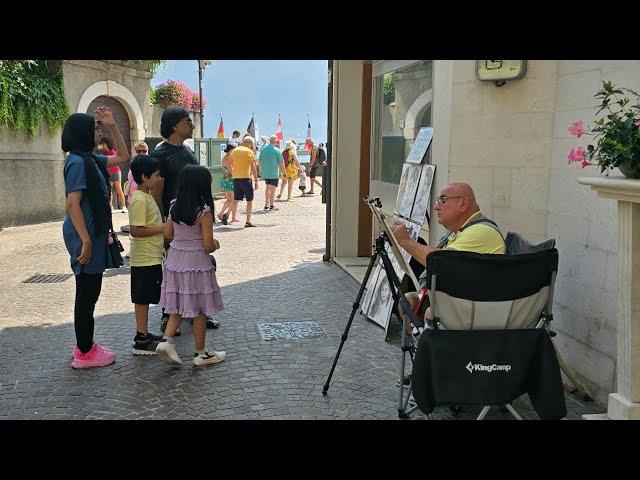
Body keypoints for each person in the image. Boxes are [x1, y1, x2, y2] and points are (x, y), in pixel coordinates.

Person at [61, 107, 130, 369]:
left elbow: (122, 156)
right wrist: (87, 241)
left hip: (93, 233)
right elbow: (72, 203)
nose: (98, 131)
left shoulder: (89, 159)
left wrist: (113, 126)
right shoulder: (78, 162)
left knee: (90, 291)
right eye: (95, 128)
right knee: (87, 293)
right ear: (82, 133)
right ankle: (85, 352)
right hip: (85, 234)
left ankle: (84, 344)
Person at [391, 182, 506, 327]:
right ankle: (422, 345)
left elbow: (443, 262)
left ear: (463, 203)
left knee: (431, 313)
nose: (436, 207)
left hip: (476, 308)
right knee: (407, 301)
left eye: (443, 200)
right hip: (461, 301)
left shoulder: (481, 231)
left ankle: (430, 347)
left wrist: (406, 241)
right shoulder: (462, 230)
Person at [152, 107, 218, 331]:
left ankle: (200, 309)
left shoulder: (188, 152)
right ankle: (168, 313)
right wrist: (163, 222)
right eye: (186, 121)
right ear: (173, 126)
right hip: (176, 220)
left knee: (203, 265)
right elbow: (157, 191)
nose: (191, 125)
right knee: (174, 268)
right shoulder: (160, 155)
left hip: (198, 218)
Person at [156, 165, 226, 367]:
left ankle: (166, 341)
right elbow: (207, 245)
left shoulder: (173, 206)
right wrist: (216, 245)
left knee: (178, 302)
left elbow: (168, 234)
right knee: (200, 309)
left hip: (175, 260)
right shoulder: (204, 213)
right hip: (196, 263)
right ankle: (201, 353)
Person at [128, 154, 166, 355]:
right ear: (144, 176)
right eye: (156, 175)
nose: (159, 179)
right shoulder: (140, 200)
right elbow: (136, 229)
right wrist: (162, 228)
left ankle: (143, 333)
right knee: (142, 298)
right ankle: (141, 338)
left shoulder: (147, 196)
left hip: (152, 255)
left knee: (147, 296)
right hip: (143, 258)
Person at [230, 136, 259, 227]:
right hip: (246, 178)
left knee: (236, 199)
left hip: (236, 178)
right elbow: (253, 167)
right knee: (249, 200)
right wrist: (256, 180)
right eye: (252, 145)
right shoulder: (249, 152)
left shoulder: (235, 151)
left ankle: (230, 216)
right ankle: (248, 221)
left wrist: (233, 172)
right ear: (250, 143)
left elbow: (229, 163)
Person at [122, 141, 149, 234]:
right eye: (139, 151)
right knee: (133, 221)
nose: (141, 153)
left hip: (144, 198)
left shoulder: (150, 163)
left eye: (144, 151)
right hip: (132, 198)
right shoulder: (133, 162)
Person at [98, 137, 127, 211]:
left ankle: (123, 206)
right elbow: (98, 148)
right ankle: (110, 207)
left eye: (103, 144)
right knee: (109, 191)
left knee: (119, 190)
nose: (102, 145)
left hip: (115, 172)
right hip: (108, 173)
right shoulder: (103, 153)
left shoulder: (113, 151)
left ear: (106, 144)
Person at [259, 135, 284, 211]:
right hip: (273, 173)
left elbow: (260, 161)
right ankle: (271, 205)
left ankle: (266, 204)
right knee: (272, 190)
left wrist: (261, 171)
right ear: (275, 141)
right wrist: (284, 172)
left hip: (266, 173)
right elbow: (281, 163)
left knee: (267, 188)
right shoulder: (277, 150)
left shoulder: (263, 149)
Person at [217, 144, 238, 225]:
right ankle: (231, 217)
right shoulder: (229, 157)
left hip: (224, 180)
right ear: (231, 150)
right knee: (234, 200)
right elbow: (230, 170)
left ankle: (222, 214)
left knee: (229, 200)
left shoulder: (223, 157)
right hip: (230, 180)